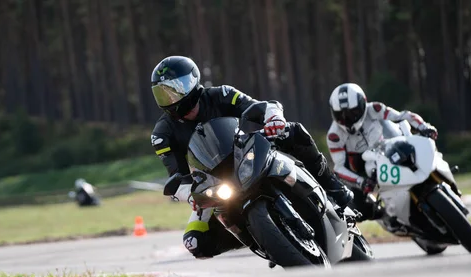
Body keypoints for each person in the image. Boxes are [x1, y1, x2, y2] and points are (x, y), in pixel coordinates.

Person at [150, 55, 354, 259]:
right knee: (195, 243)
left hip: (248, 152)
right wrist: (189, 194)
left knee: (294, 132)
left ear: (193, 81)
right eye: (163, 93)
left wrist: (273, 119)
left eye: (175, 89)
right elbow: (176, 174)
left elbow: (260, 106)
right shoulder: (162, 134)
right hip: (215, 184)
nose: (170, 98)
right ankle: (264, 239)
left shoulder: (222, 94)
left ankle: (333, 187)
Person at [326, 83, 438, 221]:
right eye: (341, 115)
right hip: (362, 167)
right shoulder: (334, 135)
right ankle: (385, 215)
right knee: (360, 211)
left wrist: (424, 126)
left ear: (363, 104)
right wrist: (361, 182)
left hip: (387, 146)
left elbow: (402, 116)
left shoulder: (374, 108)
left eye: (352, 112)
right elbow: (339, 168)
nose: (347, 119)